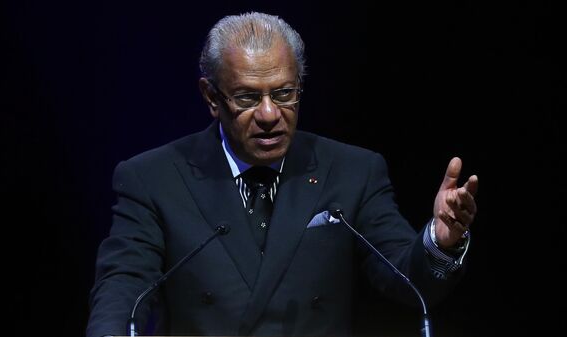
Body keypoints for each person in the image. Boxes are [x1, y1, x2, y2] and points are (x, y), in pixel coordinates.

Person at [86, 12, 478, 337]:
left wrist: (439, 243)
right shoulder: (154, 178)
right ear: (210, 97)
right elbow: (124, 284)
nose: (270, 115)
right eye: (248, 98)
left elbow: (405, 280)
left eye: (284, 93)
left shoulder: (352, 171)